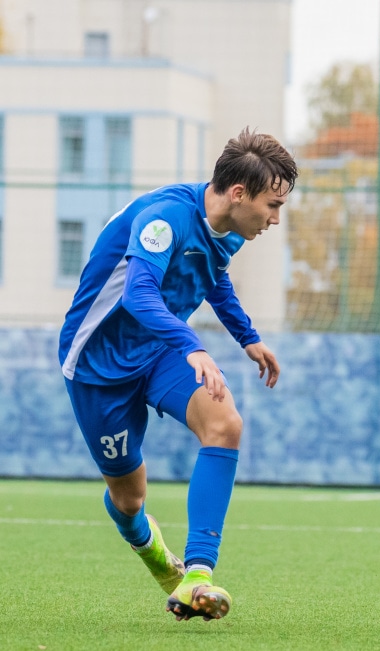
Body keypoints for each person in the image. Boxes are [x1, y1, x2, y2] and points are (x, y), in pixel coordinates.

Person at [59, 128, 298, 622]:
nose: (275, 218)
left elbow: (213, 276)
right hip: (98, 364)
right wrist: (195, 346)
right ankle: (153, 556)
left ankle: (198, 575)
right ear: (239, 194)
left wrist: (247, 337)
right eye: (272, 205)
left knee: (225, 424)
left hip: (161, 351)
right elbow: (137, 295)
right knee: (130, 499)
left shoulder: (228, 232)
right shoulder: (164, 219)